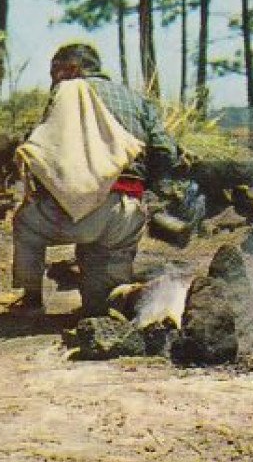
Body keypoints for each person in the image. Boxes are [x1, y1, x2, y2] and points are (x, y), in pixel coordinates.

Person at [9, 42, 178, 316]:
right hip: (127, 211)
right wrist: (151, 193)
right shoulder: (137, 100)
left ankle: (30, 300)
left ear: (72, 69)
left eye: (56, 73)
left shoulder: (68, 91)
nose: (53, 81)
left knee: (25, 223)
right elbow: (165, 150)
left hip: (75, 211)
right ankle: (131, 297)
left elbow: (47, 149)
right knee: (102, 305)